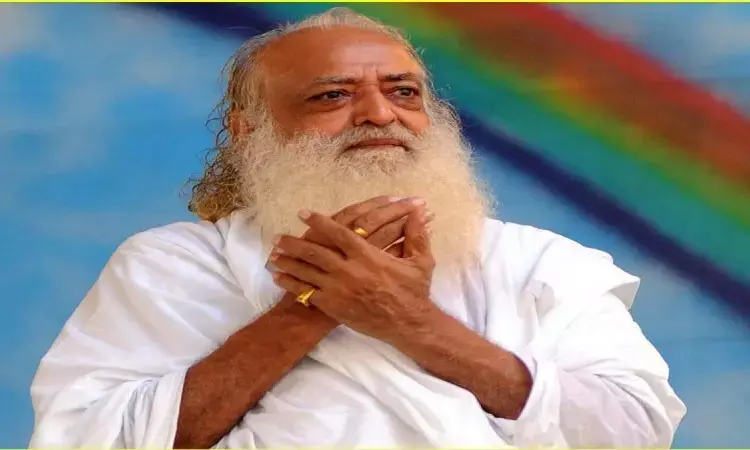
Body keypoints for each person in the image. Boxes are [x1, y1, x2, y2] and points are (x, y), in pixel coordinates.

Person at [29, 7, 686, 449]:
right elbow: (88, 438)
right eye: (332, 95)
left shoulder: (541, 262)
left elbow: (636, 429)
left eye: (404, 92)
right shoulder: (173, 265)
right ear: (248, 131)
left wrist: (412, 323)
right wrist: (308, 308)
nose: (379, 114)